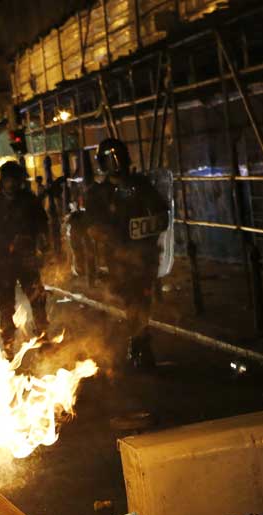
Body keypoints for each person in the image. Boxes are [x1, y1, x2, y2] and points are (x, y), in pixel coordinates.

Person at [84, 138, 169, 368]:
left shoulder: (141, 185)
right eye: (109, 159)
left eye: (117, 157)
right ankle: (138, 340)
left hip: (144, 254)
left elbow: (161, 212)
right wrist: (105, 235)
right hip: (118, 256)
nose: (115, 164)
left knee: (142, 298)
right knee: (131, 299)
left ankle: (140, 340)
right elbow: (91, 223)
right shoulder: (99, 193)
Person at [0, 160, 49, 351]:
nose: (11, 184)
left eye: (14, 180)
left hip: (26, 258)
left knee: (37, 299)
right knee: (6, 304)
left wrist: (42, 248)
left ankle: (43, 337)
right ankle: (8, 343)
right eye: (7, 180)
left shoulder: (29, 201)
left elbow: (42, 226)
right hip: (3, 260)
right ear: (1, 181)